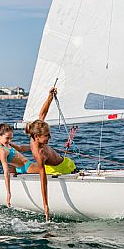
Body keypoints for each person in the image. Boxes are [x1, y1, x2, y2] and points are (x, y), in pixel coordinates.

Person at [25, 87, 76, 221]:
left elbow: (42, 113)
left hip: (65, 164)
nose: (49, 138)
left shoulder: (35, 131)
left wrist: (50, 97)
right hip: (61, 169)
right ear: (37, 136)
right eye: (46, 136)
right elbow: (43, 180)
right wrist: (45, 205)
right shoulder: (40, 153)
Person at [0, 123, 39, 207]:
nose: (10, 141)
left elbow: (21, 148)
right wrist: (8, 193)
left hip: (19, 169)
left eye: (11, 138)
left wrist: (34, 146)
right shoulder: (2, 151)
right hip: (27, 167)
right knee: (48, 170)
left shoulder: (5, 143)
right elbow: (6, 172)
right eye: (7, 138)